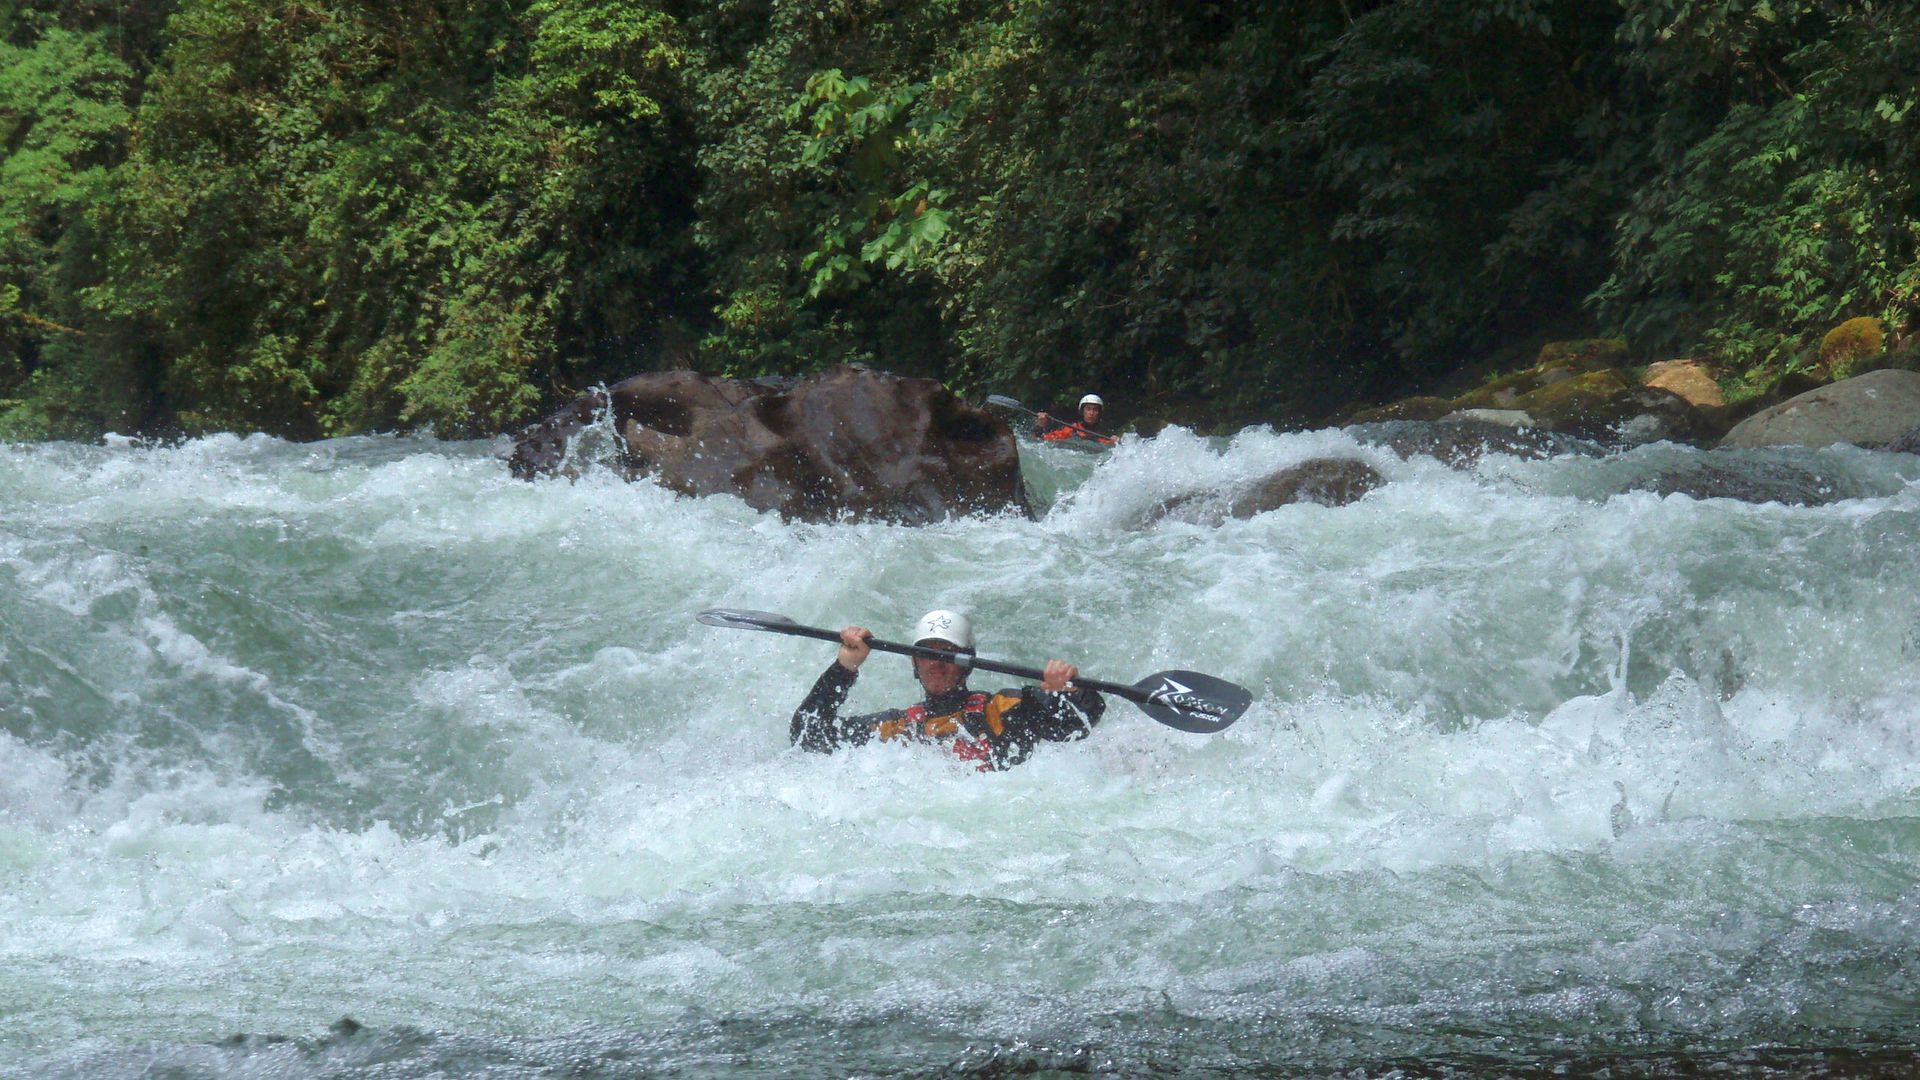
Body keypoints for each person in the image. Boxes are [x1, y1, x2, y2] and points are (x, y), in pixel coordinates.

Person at [790, 609, 1106, 771]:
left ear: (966, 664)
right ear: (914, 663)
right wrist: (844, 668)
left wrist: (1065, 691)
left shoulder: (1000, 709)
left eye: (946, 654)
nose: (936, 664)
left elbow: (1081, 721)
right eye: (927, 654)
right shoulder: (898, 727)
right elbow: (807, 735)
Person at [1033, 394, 1116, 446]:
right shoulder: (1072, 430)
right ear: (1082, 411)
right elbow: (1040, 440)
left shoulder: (1104, 435)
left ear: (1099, 413)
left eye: (1095, 410)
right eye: (1088, 409)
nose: (1091, 413)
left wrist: (1116, 443)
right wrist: (1040, 425)